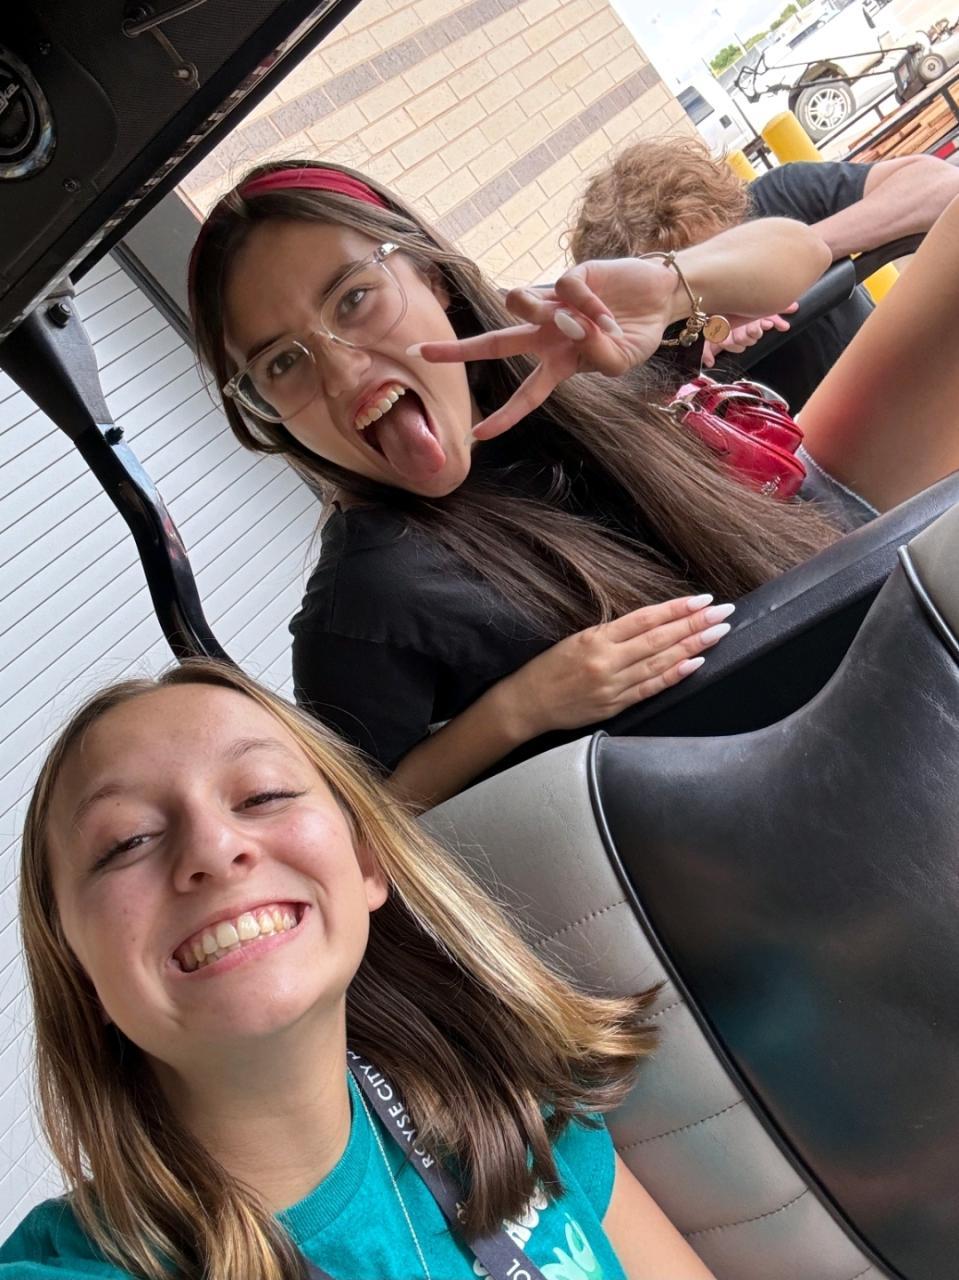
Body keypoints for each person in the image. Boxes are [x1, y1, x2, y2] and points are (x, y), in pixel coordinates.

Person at [186, 159, 959, 810]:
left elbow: (796, 254)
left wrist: (671, 285)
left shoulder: (562, 343)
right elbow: (369, 830)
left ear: (431, 275)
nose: (340, 370)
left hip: (845, 573)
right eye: (281, 363)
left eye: (354, 298)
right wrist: (519, 709)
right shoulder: (363, 606)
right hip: (801, 774)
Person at [1, 659, 717, 1280]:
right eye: (127, 841)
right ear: (79, 975)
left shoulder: (501, 1109)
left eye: (262, 795)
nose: (214, 849)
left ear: (366, 863)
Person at [567, 136, 959, 409]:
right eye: (681, 279)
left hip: (918, 391)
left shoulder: (776, 199)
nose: (707, 280)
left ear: (732, 215)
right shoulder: (649, 342)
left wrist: (785, 261)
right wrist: (694, 352)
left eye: (718, 252)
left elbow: (941, 187)